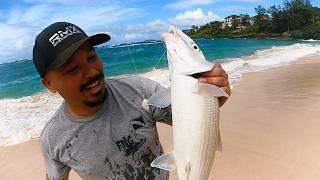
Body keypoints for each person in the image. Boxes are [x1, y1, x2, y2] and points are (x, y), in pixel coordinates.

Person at [33, 22, 231, 180]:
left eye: (92, 57)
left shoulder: (140, 90)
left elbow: (190, 119)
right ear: (49, 84)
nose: (91, 71)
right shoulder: (54, 138)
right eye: (72, 69)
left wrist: (212, 98)